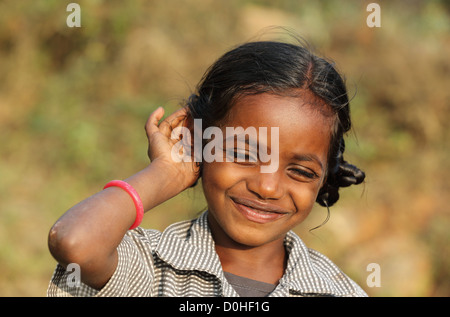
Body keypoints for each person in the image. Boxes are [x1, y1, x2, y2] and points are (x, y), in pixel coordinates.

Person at [47, 39, 367, 297]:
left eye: (301, 171)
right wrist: (168, 172)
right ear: (199, 141)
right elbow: (75, 242)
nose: (267, 188)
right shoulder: (149, 267)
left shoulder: (337, 292)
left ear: (325, 178)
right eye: (243, 154)